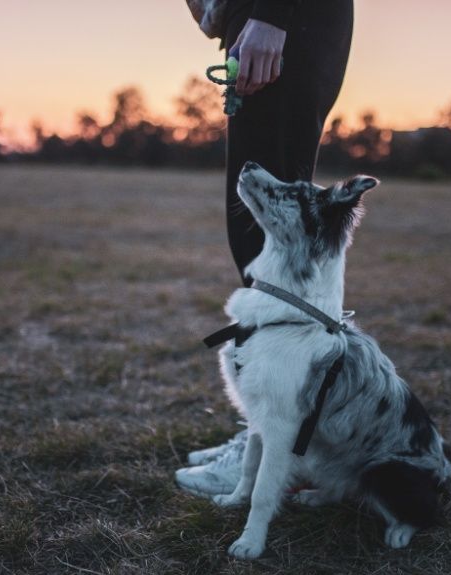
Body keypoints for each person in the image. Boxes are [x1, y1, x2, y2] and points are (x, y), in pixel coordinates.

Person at [175, 0, 354, 496]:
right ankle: (267, 436)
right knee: (257, 244)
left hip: (285, 20)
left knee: (269, 242)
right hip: (266, 22)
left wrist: (272, 14)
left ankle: (282, 448)